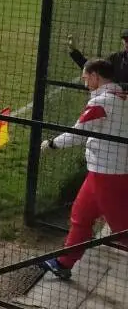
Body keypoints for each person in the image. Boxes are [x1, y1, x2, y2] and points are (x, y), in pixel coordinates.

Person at [39, 59, 128, 281]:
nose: (84, 81)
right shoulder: (121, 99)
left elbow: (77, 133)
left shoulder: (102, 103)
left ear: (96, 76)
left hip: (108, 173)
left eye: (86, 76)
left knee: (122, 229)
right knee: (80, 215)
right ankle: (63, 263)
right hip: (102, 170)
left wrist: (52, 144)